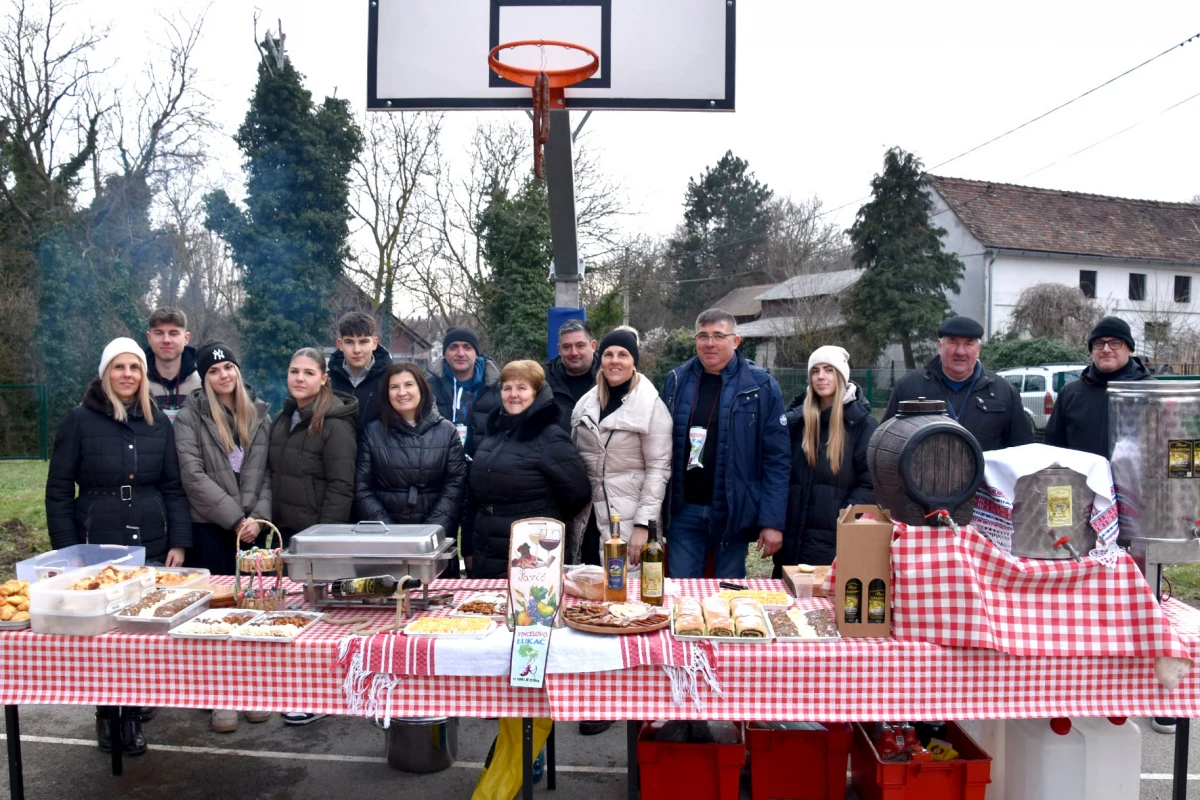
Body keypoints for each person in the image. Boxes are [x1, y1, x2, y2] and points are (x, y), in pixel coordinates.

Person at [45, 337, 191, 757]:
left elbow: (173, 486)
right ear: (105, 373)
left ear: (143, 374)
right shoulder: (79, 421)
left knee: (140, 626)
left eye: (134, 367)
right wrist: (69, 552)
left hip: (150, 535)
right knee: (104, 631)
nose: (127, 375)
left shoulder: (158, 423)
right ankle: (108, 714)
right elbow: (58, 492)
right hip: (97, 540)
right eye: (119, 367)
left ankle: (133, 711)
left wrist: (179, 541)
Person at [567, 327, 671, 738]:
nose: (614, 361)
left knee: (626, 608)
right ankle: (591, 691)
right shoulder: (585, 403)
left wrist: (643, 525)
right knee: (591, 606)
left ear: (634, 361)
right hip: (589, 516)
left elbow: (658, 469)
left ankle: (622, 696)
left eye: (623, 355)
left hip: (627, 521)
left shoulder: (651, 406)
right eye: (609, 354)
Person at [173, 342, 273, 733]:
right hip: (211, 529)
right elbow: (192, 475)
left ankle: (253, 690)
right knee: (216, 617)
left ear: (237, 370)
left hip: (253, 530)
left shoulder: (259, 413)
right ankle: (221, 695)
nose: (223, 375)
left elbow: (268, 473)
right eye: (213, 371)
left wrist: (258, 518)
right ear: (204, 378)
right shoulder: (189, 417)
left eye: (228, 367)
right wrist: (234, 520)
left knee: (254, 613)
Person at [660, 309, 790, 579]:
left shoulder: (761, 386)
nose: (710, 343)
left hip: (733, 513)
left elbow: (777, 459)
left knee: (728, 594)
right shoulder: (676, 381)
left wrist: (772, 521)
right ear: (695, 340)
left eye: (719, 336)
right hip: (684, 512)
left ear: (736, 341)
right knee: (681, 593)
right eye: (703, 336)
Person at [267, 348, 357, 727]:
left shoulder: (334, 424)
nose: (299, 378)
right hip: (287, 537)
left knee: (320, 624)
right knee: (294, 619)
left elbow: (341, 486)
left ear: (323, 378)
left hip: (317, 539)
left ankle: (318, 696)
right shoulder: (283, 418)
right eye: (294, 371)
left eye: (308, 372)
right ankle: (295, 691)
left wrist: (324, 540)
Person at [462, 360, 590, 579]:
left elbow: (578, 493)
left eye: (522, 388)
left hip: (531, 552)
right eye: (507, 388)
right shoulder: (492, 436)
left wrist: (539, 515)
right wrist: (468, 547)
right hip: (486, 549)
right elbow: (474, 495)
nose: (513, 394)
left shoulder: (550, 438)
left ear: (536, 393)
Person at [774, 346, 877, 574]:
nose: (821, 376)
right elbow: (779, 473)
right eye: (815, 371)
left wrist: (842, 517)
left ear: (841, 376)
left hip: (833, 540)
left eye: (829, 370)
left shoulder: (862, 424)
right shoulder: (795, 422)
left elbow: (870, 482)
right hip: (791, 538)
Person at [354, 362, 468, 560]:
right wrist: (389, 532)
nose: (402, 393)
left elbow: (455, 485)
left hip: (435, 541)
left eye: (408, 385)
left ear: (421, 389)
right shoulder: (373, 431)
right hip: (385, 539)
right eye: (394, 387)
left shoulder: (446, 431)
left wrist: (430, 532)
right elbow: (362, 486)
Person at [884, 316, 1033, 451]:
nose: (960, 352)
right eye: (953, 342)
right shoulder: (909, 387)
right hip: (922, 473)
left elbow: (1023, 451)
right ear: (940, 346)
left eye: (968, 344)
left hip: (983, 474)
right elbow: (885, 444)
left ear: (978, 349)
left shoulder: (1004, 391)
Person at [1044, 316, 1151, 458]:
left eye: (1115, 343)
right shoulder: (1070, 394)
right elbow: (1052, 448)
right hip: (1082, 473)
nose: (1106, 349)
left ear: (1130, 349)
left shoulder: (1151, 393)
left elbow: (1171, 445)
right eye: (1099, 343)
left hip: (1138, 473)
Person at [426, 326, 501, 458]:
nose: (460, 353)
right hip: (439, 463)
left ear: (476, 353)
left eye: (467, 347)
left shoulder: (498, 388)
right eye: (453, 347)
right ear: (445, 353)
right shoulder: (427, 387)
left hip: (483, 465)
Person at [328, 310, 393, 430]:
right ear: (340, 344)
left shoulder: (391, 381)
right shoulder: (326, 382)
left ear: (374, 343)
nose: (357, 350)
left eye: (363, 342)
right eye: (349, 342)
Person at [144, 306, 202, 421]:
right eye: (159, 333)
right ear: (149, 338)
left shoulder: (203, 383)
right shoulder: (137, 383)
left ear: (186, 338)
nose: (166, 340)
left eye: (173, 333)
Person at [546, 319, 599, 432]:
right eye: (567, 347)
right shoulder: (544, 382)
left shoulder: (611, 379)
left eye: (580, 345)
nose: (574, 352)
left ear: (593, 346)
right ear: (559, 349)